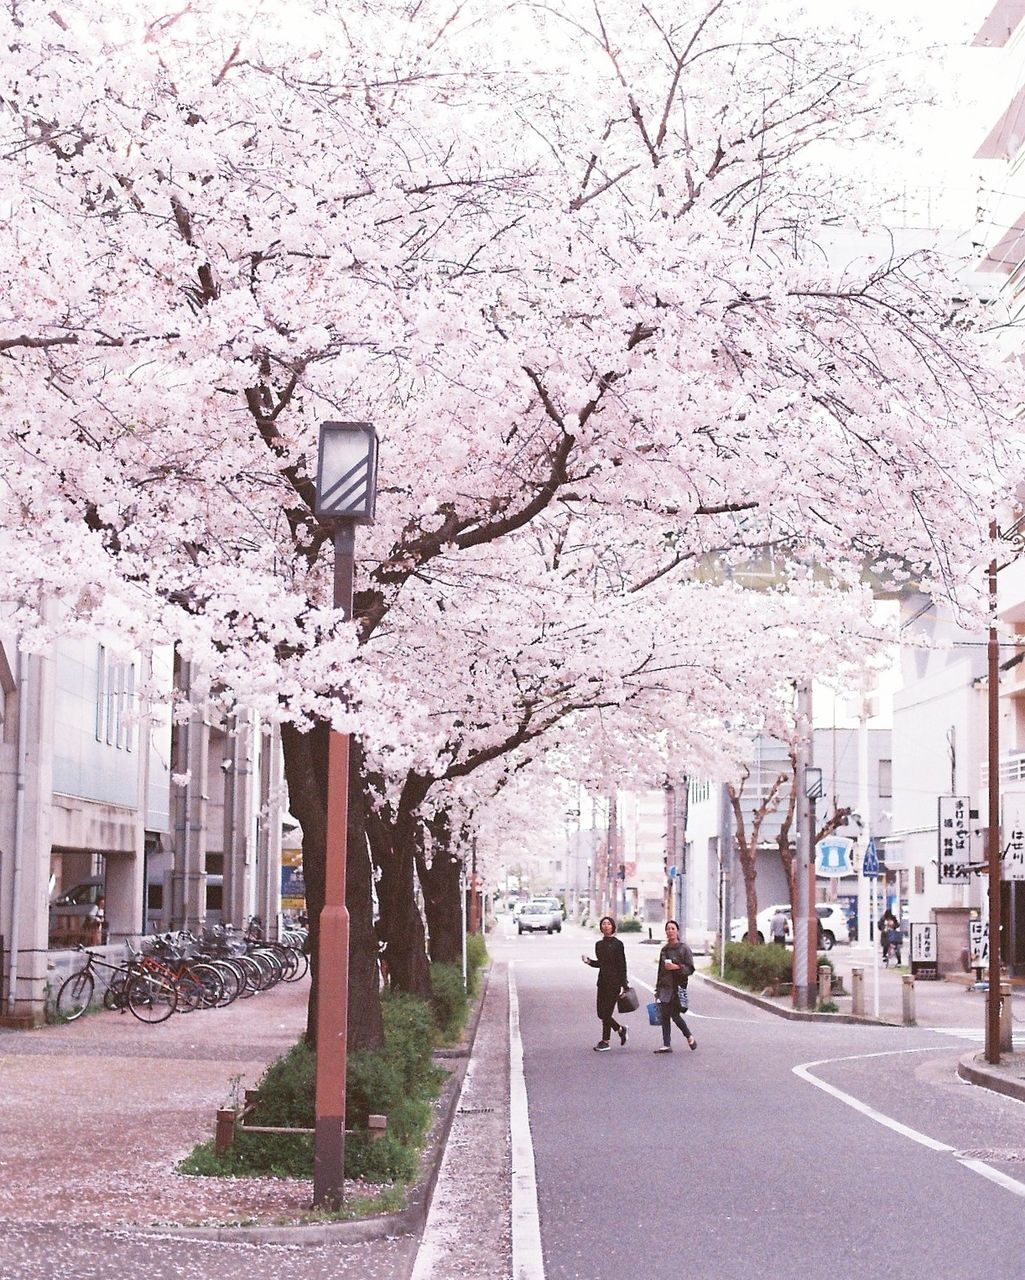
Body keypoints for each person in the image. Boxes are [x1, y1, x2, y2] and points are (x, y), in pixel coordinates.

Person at [581, 915, 629, 1051]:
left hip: (614, 983)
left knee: (606, 1013)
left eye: (608, 924)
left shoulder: (618, 944)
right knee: (601, 1013)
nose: (606, 926)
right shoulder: (599, 945)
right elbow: (600, 964)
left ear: (613, 927)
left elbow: (622, 965)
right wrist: (589, 961)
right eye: (603, 924)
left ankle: (605, 1041)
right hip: (602, 982)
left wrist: (624, 985)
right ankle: (620, 1029)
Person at [653, 919, 696, 1053]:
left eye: (672, 929)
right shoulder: (664, 950)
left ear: (677, 931)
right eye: (668, 929)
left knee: (675, 1015)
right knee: (665, 1015)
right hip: (665, 987)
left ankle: (689, 1036)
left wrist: (676, 967)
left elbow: (690, 969)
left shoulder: (684, 948)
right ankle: (666, 1044)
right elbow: (660, 970)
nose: (670, 931)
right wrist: (657, 989)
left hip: (678, 987)